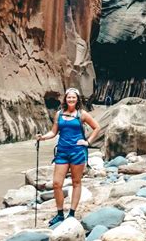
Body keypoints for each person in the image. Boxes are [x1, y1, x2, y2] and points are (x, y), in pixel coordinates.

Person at [36, 88, 100, 227]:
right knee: (57, 184)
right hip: (62, 152)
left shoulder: (82, 114)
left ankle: (71, 214)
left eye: (73, 97)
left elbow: (97, 127)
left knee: (76, 182)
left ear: (77, 99)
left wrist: (88, 142)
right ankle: (60, 214)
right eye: (69, 97)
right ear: (65, 99)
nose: (71, 100)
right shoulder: (59, 114)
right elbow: (53, 132)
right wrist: (43, 138)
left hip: (77, 151)